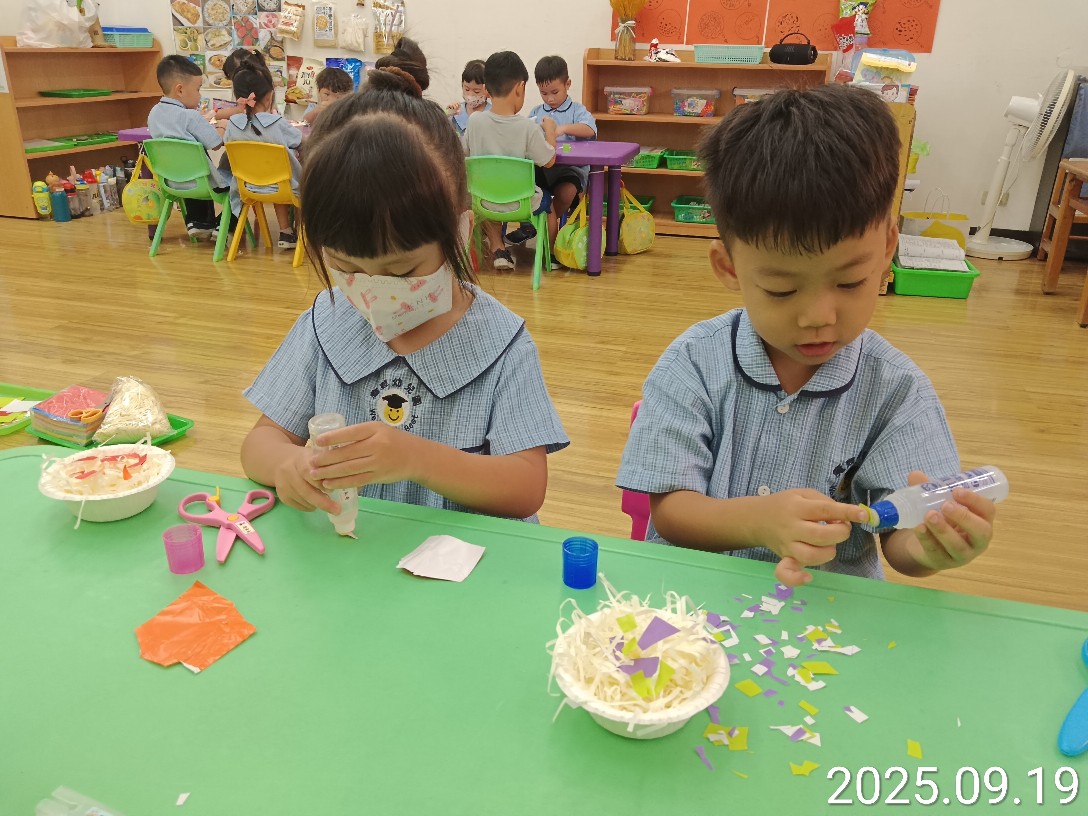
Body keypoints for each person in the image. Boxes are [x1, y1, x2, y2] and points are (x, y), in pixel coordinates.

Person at [616, 84, 997, 587]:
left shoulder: (897, 392)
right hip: (694, 609)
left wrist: (930, 545)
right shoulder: (694, 364)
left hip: (824, 619)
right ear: (728, 267)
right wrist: (756, 522)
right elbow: (669, 511)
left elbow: (901, 540)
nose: (818, 317)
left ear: (887, 246)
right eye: (781, 290)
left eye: (849, 282)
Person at [240, 65, 569, 522]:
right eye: (348, 269)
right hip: (354, 556)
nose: (375, 292)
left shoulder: (501, 342)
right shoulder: (327, 322)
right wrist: (287, 465)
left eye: (403, 271)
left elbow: (526, 487)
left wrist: (416, 459)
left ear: (460, 232)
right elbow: (259, 443)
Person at [463, 51, 557, 271]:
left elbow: (464, 153)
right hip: (522, 205)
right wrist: (550, 131)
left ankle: (498, 249)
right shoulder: (529, 128)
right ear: (520, 88)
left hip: (482, 203)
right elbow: (549, 161)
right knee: (548, 204)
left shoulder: (475, 121)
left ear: (486, 90)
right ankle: (550, 255)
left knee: (486, 190)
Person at [506, 55, 597, 247]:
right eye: (544, 93)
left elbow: (589, 129)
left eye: (555, 92)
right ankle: (534, 224)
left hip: (569, 171)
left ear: (567, 84)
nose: (550, 98)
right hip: (542, 169)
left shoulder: (577, 111)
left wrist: (562, 129)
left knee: (567, 192)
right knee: (524, 184)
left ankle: (541, 223)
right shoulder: (536, 112)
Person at [224, 54, 303, 249]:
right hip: (283, 187)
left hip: (248, 188)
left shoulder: (232, 124)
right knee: (287, 177)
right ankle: (293, 232)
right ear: (269, 96)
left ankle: (286, 232)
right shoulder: (277, 123)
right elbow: (300, 141)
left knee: (275, 174)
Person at [147, 55, 228, 239]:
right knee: (237, 184)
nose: (200, 95)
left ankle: (199, 222)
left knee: (193, 168)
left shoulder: (154, 113)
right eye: (198, 89)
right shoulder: (190, 116)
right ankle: (223, 226)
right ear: (180, 90)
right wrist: (222, 127)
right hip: (202, 185)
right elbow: (216, 143)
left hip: (171, 183)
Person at [446, 59, 490, 137]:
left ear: (487, 89)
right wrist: (448, 113)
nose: (470, 95)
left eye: (476, 91)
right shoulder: (457, 111)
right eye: (467, 89)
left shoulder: (492, 113)